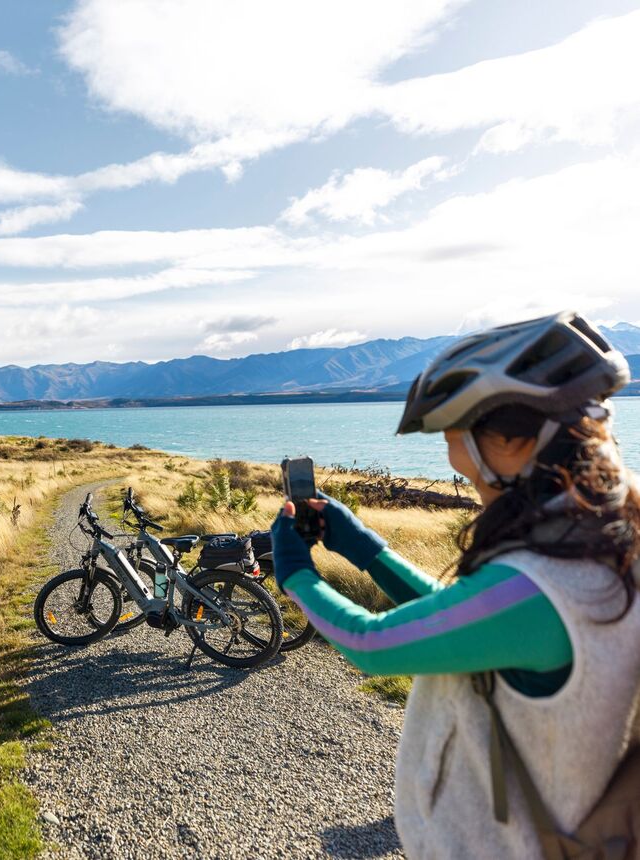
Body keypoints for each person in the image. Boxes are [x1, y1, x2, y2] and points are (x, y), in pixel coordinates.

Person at [269, 311, 640, 858]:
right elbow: (465, 617)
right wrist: (368, 552)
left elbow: (372, 644)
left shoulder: (548, 585)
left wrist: (296, 574)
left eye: (456, 439)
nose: (454, 461)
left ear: (517, 441)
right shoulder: (601, 545)